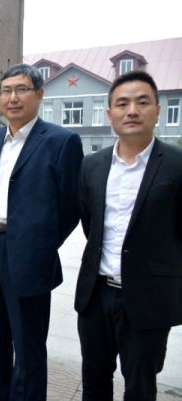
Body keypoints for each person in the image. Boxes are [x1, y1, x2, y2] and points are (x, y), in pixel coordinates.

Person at [0, 63, 83, 401]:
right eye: (6, 91)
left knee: (28, 347)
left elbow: (71, 207)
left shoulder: (62, 141)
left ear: (39, 94)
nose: (12, 98)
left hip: (29, 256)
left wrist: (39, 245)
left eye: (21, 89)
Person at [74, 71, 182, 401]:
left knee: (140, 387)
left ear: (157, 110)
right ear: (110, 114)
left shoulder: (177, 165)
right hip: (96, 295)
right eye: (122, 104)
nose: (132, 110)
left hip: (149, 299)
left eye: (142, 102)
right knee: (94, 381)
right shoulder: (91, 165)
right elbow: (91, 225)